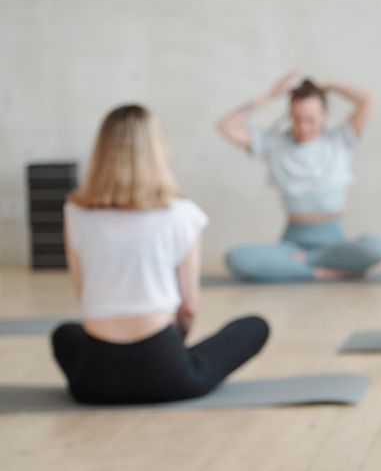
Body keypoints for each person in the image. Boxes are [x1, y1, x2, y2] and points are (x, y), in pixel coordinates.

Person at [51, 105, 270, 404]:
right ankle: (179, 361)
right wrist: (177, 347)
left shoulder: (75, 212)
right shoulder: (181, 213)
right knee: (255, 326)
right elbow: (188, 307)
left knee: (64, 334)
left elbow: (83, 294)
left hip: (94, 382)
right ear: (158, 150)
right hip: (166, 373)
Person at [216, 71, 381, 281]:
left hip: (334, 247)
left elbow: (366, 100)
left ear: (324, 116)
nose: (303, 127)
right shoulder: (276, 144)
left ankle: (305, 263)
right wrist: (270, 95)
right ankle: (320, 272)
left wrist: (328, 84)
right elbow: (226, 127)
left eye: (311, 120)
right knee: (238, 259)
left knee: (375, 248)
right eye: (297, 119)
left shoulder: (340, 140)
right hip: (291, 245)